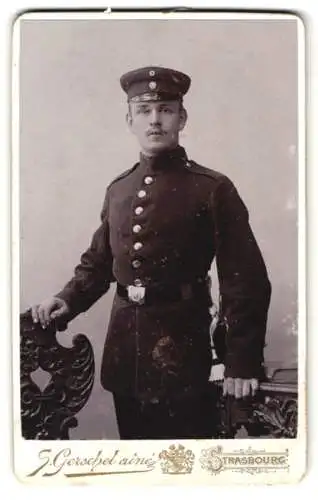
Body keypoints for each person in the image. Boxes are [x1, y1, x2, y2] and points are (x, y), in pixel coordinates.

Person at [31, 66, 271, 439]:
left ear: (181, 117)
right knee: (136, 465)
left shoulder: (212, 188)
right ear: (130, 120)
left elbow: (245, 278)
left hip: (187, 351)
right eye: (144, 111)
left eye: (165, 109)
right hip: (126, 354)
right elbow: (99, 263)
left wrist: (241, 360)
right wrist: (68, 299)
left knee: (188, 469)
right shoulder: (119, 189)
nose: (155, 120)